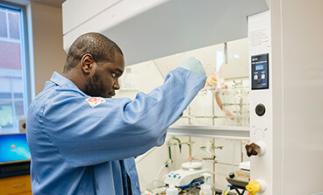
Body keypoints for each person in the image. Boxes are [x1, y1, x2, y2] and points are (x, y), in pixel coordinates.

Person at [26, 32, 209, 195]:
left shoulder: (79, 108)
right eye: (114, 74)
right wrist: (189, 73)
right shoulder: (54, 107)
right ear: (88, 64)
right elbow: (140, 123)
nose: (117, 85)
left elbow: (127, 140)